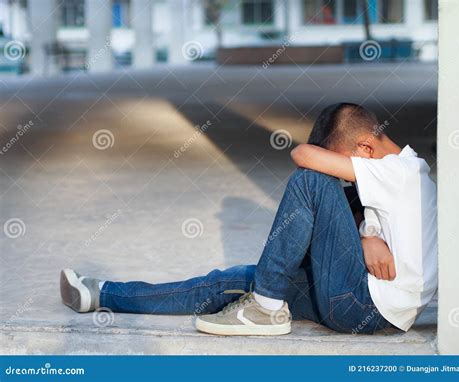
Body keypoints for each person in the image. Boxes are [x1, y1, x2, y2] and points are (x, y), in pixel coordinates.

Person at [60, 103, 437, 336]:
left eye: (347, 164)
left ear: (365, 148)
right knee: (229, 282)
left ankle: (266, 309)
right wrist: (364, 240)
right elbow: (371, 234)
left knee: (311, 182)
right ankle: (99, 293)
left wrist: (334, 181)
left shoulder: (400, 172)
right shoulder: (398, 178)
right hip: (362, 297)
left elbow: (304, 156)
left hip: (362, 305)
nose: (345, 174)